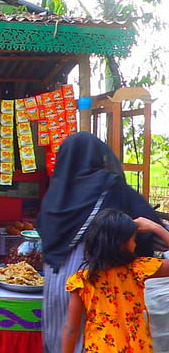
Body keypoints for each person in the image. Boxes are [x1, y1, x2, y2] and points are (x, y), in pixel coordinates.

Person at [37, 132, 162, 353]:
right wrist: (155, 231)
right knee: (89, 339)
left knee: (62, 335)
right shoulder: (109, 186)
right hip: (93, 275)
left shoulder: (55, 193)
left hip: (55, 282)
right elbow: (143, 222)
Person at [62, 209, 169, 352]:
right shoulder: (138, 269)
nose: (135, 244)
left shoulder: (81, 281)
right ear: (122, 244)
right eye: (133, 239)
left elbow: (71, 329)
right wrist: (157, 228)